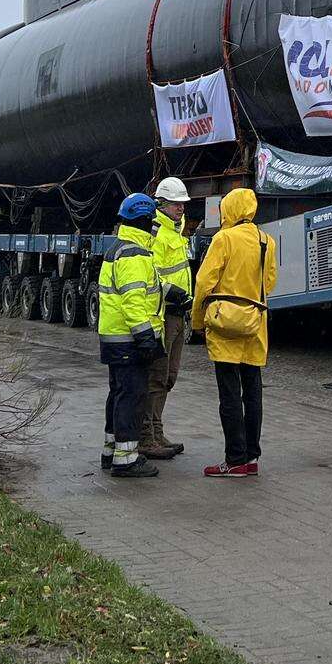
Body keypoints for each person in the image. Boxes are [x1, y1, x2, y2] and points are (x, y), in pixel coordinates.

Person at [192, 187, 277, 478]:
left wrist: (197, 321)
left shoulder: (223, 239)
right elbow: (270, 282)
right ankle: (251, 457)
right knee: (252, 392)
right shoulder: (267, 241)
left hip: (225, 325)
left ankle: (234, 458)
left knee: (229, 394)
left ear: (229, 209)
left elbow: (204, 283)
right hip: (255, 324)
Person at [98, 193, 167, 479]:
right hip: (129, 339)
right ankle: (126, 460)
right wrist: (146, 338)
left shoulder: (118, 248)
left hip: (115, 337)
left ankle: (111, 450)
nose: (155, 225)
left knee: (118, 394)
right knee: (132, 397)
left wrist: (168, 291)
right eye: (153, 220)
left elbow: (134, 290)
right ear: (144, 220)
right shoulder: (134, 253)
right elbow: (133, 300)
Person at [140, 177, 194, 461]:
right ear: (161, 204)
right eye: (175, 203)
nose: (181, 208)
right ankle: (147, 436)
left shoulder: (177, 231)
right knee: (157, 377)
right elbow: (150, 275)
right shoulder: (157, 233)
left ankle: (157, 431)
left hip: (178, 313)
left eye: (183, 203)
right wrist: (170, 293)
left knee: (169, 377)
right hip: (162, 314)